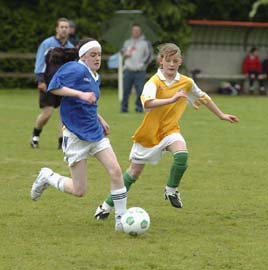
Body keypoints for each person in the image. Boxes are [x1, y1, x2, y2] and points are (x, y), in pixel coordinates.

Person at [94, 43, 239, 219]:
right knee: (133, 172)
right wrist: (172, 99)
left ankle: (171, 190)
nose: (171, 64)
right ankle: (106, 206)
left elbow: (204, 97)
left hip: (170, 130)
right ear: (161, 61)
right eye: (168, 60)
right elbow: (147, 103)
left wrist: (221, 115)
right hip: (149, 133)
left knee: (182, 156)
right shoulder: (153, 82)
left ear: (180, 62)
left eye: (175, 61)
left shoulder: (186, 82)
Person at [30, 37, 127, 231]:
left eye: (99, 54)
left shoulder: (94, 75)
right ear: (83, 56)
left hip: (95, 133)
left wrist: (100, 119)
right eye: (93, 55)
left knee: (116, 171)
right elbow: (54, 87)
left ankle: (121, 220)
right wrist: (80, 94)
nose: (97, 58)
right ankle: (47, 176)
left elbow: (89, 102)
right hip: (75, 135)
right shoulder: (75, 69)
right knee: (79, 190)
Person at [31, 17, 74, 149]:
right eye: (62, 27)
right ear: (57, 29)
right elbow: (40, 62)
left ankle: (62, 143)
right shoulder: (47, 44)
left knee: (64, 114)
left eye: (66, 27)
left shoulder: (70, 47)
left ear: (69, 30)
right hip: (48, 84)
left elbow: (72, 68)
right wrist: (40, 80)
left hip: (64, 85)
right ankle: (35, 137)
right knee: (47, 114)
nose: (64, 29)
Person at [120, 23, 152, 113]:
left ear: (140, 31)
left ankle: (138, 107)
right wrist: (126, 53)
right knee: (126, 90)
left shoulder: (145, 43)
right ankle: (124, 108)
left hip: (140, 71)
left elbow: (149, 55)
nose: (136, 32)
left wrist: (143, 64)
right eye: (134, 30)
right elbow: (122, 52)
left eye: (137, 30)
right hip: (128, 69)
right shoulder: (127, 42)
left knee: (140, 90)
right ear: (132, 31)